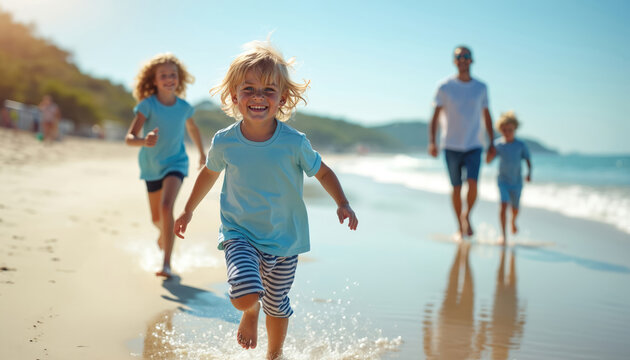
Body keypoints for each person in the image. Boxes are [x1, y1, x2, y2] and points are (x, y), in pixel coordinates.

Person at [173, 40, 358, 360]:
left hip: (285, 241)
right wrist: (188, 210)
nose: (258, 96)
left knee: (278, 304)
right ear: (234, 96)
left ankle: (274, 354)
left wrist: (342, 202)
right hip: (240, 234)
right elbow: (208, 174)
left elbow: (323, 172)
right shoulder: (225, 141)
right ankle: (249, 311)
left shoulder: (294, 142)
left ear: (283, 98)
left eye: (269, 90)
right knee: (245, 295)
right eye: (249, 88)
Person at [125, 53, 206, 278]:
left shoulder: (184, 107)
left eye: (173, 75)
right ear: (154, 80)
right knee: (156, 220)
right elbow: (129, 138)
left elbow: (193, 129)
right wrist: (144, 140)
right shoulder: (147, 105)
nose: (169, 79)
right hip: (151, 166)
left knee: (166, 206)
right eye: (163, 75)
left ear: (179, 79)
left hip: (176, 163)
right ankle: (164, 234)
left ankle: (167, 264)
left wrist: (201, 152)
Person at [428, 45, 496, 239]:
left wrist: (492, 142)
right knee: (456, 188)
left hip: (474, 144)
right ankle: (460, 225)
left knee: (473, 184)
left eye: (466, 56)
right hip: (450, 145)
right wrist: (432, 142)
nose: (463, 59)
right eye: (459, 56)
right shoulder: (444, 86)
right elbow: (435, 117)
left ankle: (467, 215)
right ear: (454, 61)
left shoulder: (481, 88)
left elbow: (487, 115)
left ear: (472, 60)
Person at [486, 111, 532, 243]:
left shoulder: (520, 145)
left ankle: (513, 221)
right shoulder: (498, 145)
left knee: (515, 208)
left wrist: (529, 173)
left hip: (517, 181)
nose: (507, 132)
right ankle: (503, 235)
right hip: (503, 180)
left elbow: (527, 159)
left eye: (510, 130)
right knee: (503, 205)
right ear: (500, 130)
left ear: (515, 129)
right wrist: (490, 153)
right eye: (504, 130)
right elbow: (488, 161)